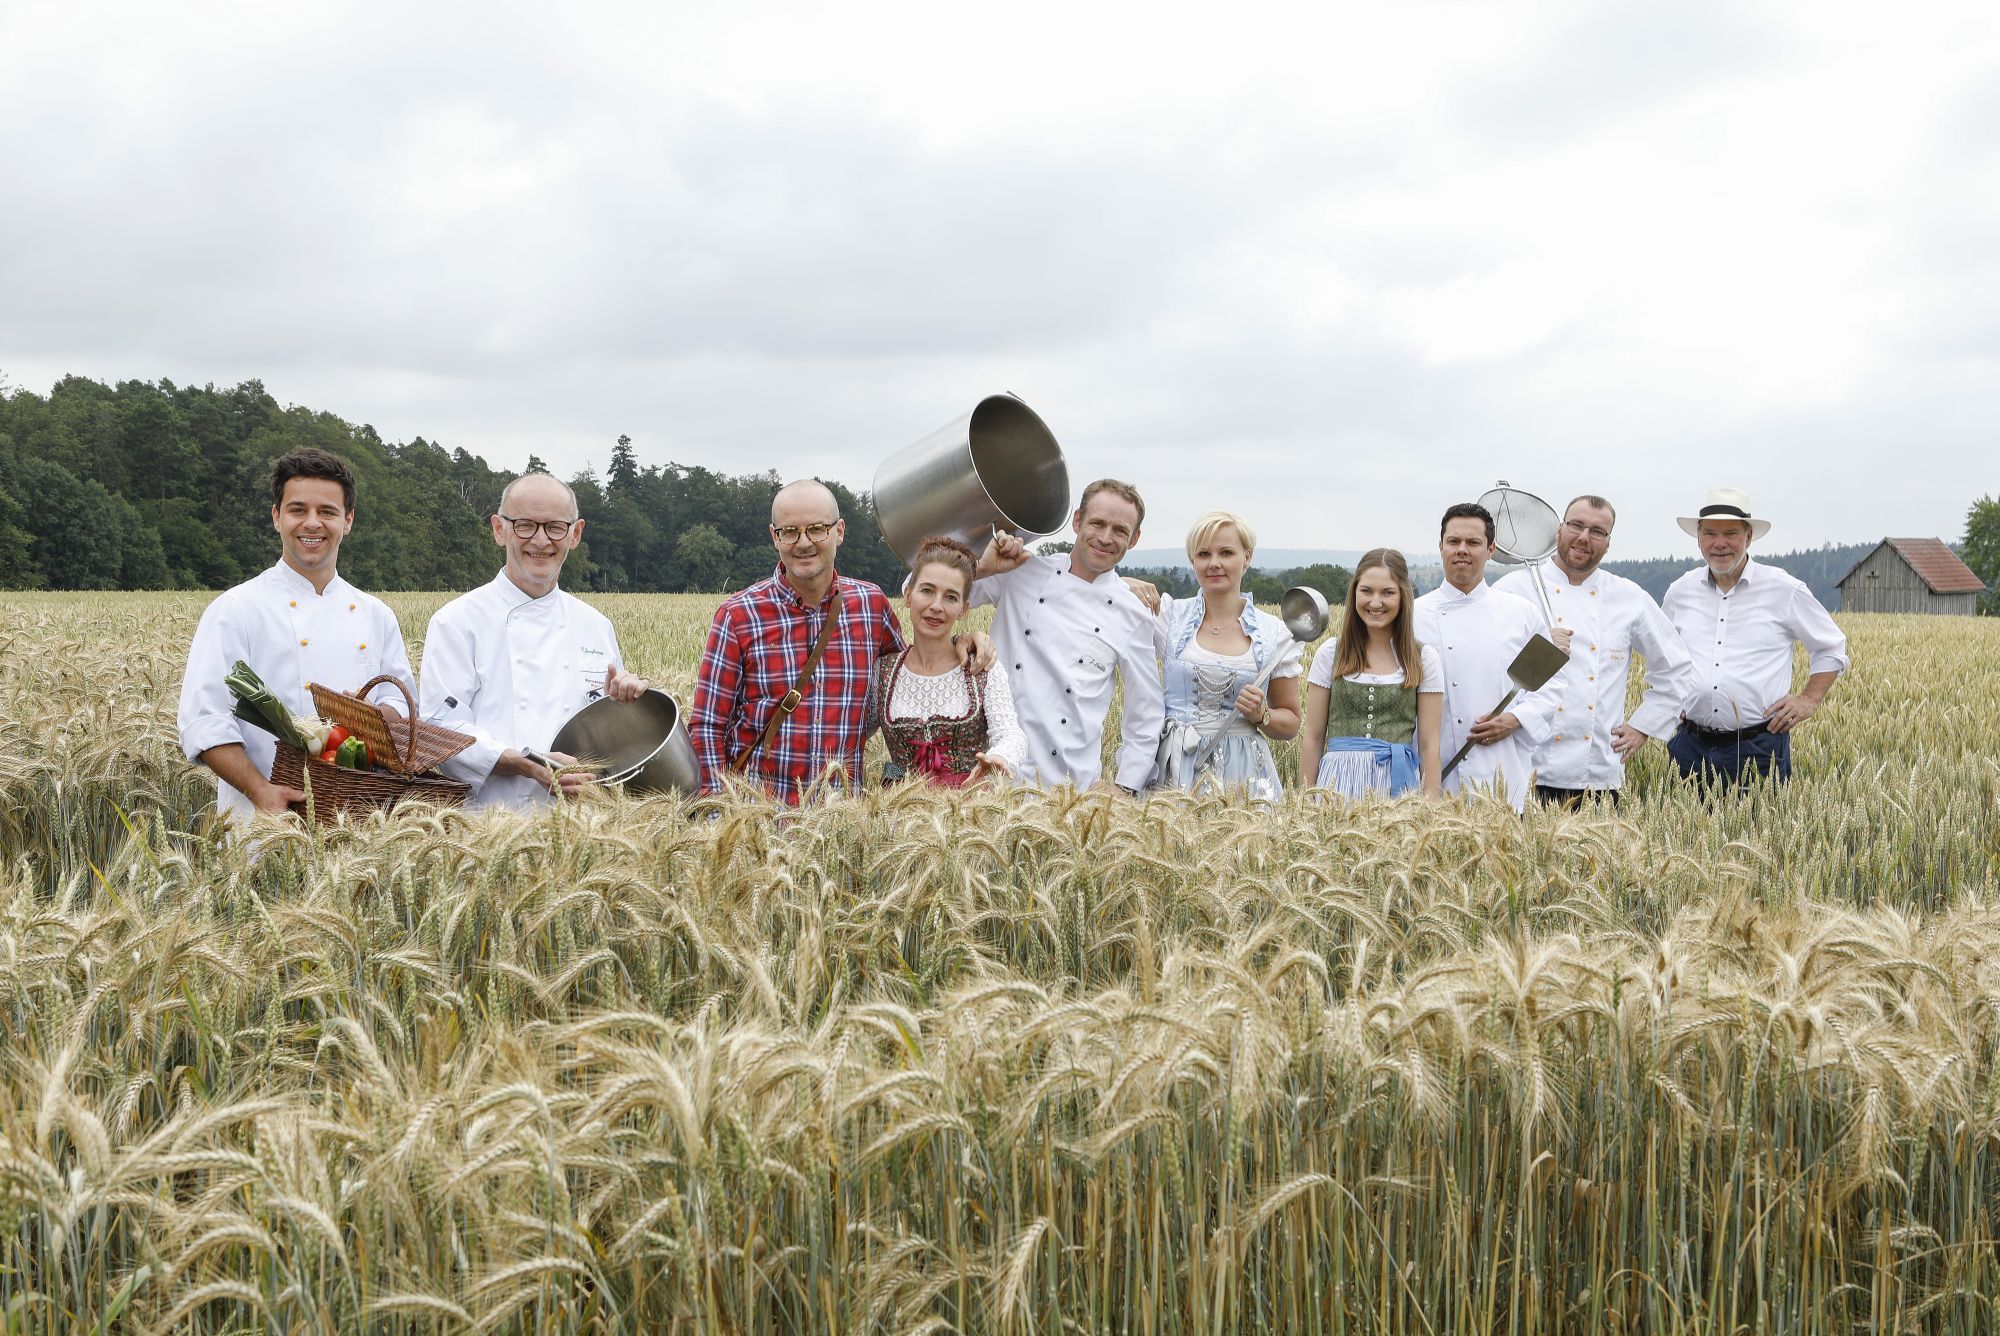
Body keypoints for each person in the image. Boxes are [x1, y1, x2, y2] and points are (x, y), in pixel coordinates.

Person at [689, 479, 992, 803]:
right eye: (789, 532)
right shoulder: (738, 615)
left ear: (839, 531)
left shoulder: (870, 606)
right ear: (774, 537)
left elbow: (909, 673)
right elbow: (707, 725)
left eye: (817, 529)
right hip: (759, 815)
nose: (804, 543)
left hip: (843, 818)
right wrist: (716, 811)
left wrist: (958, 642)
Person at [177, 448, 412, 826]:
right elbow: (205, 720)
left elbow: (402, 706)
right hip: (263, 824)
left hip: (360, 823)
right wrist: (260, 790)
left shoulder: (376, 615)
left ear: (348, 520)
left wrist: (371, 717)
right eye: (298, 510)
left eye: (327, 512)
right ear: (277, 517)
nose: (312, 523)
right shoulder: (236, 609)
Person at [420, 472, 649, 809]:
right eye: (525, 525)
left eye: (555, 527)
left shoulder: (595, 625)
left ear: (575, 534)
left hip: (582, 825)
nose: (541, 541)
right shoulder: (456, 622)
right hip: (489, 822)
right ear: (499, 529)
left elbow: (611, 742)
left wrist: (627, 707)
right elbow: (440, 731)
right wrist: (528, 764)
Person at [1494, 495, 1695, 805]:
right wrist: (1536, 647)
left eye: (1597, 531)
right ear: (1559, 530)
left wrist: (1643, 726)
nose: (1584, 537)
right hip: (1522, 767)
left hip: (1596, 772)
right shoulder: (1512, 590)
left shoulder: (1628, 597)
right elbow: (1483, 664)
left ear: (1608, 543)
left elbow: (1676, 667)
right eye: (1576, 525)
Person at [972, 479, 1164, 794]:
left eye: (1120, 530)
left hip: (1068, 789)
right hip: (991, 770)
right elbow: (921, 592)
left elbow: (1146, 712)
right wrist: (982, 568)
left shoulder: (1133, 613)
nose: (1105, 538)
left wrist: (1125, 786)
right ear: (1077, 521)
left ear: (1134, 539)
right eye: (1098, 523)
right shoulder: (1021, 571)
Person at [1661, 487, 1848, 786]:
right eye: (1710, 534)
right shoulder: (1680, 592)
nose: (1719, 543)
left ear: (1748, 537)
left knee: (1760, 819)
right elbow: (1664, 654)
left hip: (1758, 748)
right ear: (1698, 538)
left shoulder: (1784, 589)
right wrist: (1671, 701)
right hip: (1689, 747)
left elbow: (1831, 648)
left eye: (1731, 533)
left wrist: (1809, 699)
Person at [1143, 511, 1301, 801]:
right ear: (1193, 560)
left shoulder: (1274, 634)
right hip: (1176, 767)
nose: (1214, 563)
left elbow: (1291, 723)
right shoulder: (1168, 617)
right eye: (1204, 554)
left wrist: (1261, 715)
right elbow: (1105, 603)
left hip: (1244, 774)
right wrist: (1127, 583)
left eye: (1226, 553)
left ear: (1247, 558)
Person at [1412, 502, 1560, 812]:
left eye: (1473, 542)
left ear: (1490, 549)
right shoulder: (1412, 615)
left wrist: (1514, 720)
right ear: (1440, 547)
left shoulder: (1521, 613)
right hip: (1429, 784)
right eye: (1453, 541)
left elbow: (1551, 686)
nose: (1462, 550)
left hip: (1501, 777)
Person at [872, 535, 1027, 786]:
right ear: (908, 596)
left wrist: (999, 756)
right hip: (899, 807)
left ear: (963, 609)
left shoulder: (982, 668)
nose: (937, 605)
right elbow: (851, 731)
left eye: (951, 597)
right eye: (927, 591)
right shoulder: (883, 672)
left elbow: (1010, 733)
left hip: (969, 805)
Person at [1299, 548, 1443, 798]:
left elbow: (1430, 745)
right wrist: (1304, 801)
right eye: (1366, 591)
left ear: (1403, 596)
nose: (1375, 602)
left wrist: (1429, 808)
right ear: (1354, 592)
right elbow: (1313, 737)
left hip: (1397, 786)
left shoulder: (1422, 658)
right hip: (1336, 786)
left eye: (1387, 592)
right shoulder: (1331, 653)